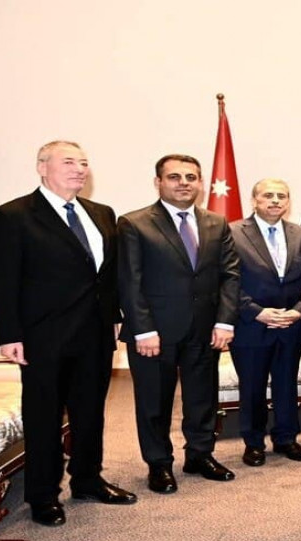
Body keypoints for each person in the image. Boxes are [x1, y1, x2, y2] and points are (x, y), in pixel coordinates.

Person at [0, 140, 136, 526]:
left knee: (90, 411)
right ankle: (42, 495)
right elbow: (0, 282)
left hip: (95, 333)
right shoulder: (12, 216)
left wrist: (114, 313)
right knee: (44, 417)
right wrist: (8, 334)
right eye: (68, 162)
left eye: (83, 163)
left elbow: (107, 273)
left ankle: (87, 479)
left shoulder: (101, 213)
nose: (79, 169)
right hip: (42, 336)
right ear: (42, 167)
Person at [118, 154, 240, 493]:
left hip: (205, 329)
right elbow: (129, 281)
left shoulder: (217, 222)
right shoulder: (134, 223)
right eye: (174, 177)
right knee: (154, 402)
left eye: (190, 177)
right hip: (154, 333)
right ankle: (158, 463)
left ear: (200, 182)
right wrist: (143, 329)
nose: (183, 183)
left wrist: (225, 322)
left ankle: (200, 455)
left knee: (203, 398)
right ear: (158, 182)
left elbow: (230, 275)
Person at [229, 178, 301, 466]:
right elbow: (226, 280)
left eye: (281, 196)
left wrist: (299, 311)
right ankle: (254, 443)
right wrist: (256, 311)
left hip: (291, 324)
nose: (275, 201)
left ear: (288, 202)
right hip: (251, 324)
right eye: (268, 195)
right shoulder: (232, 232)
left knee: (286, 384)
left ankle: (286, 439)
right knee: (252, 387)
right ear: (254, 200)